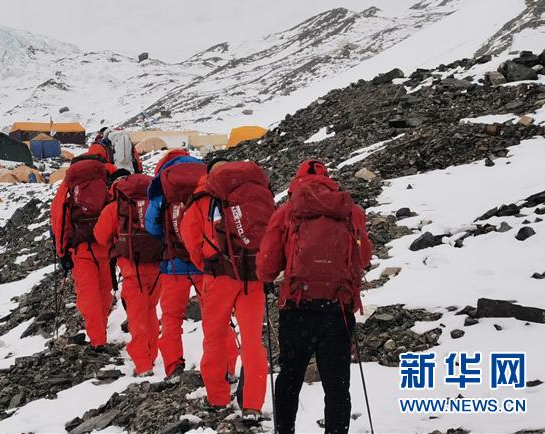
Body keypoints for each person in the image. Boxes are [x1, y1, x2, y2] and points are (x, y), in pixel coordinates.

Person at [258, 160, 373, 434]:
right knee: (337, 384)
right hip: (338, 310)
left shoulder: (287, 211)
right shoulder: (349, 211)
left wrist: (268, 279)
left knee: (290, 377)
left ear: (296, 182)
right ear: (329, 180)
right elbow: (364, 258)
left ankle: (284, 430)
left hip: (298, 308)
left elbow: (266, 265)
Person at [182, 159, 276, 416]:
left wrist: (207, 264)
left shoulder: (203, 197)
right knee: (252, 341)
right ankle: (253, 404)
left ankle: (218, 398)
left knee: (214, 338)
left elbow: (190, 238)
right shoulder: (253, 189)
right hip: (252, 275)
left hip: (217, 277)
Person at [144, 149, 235, 382]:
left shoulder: (162, 185)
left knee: (171, 318)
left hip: (173, 265)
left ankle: (173, 366)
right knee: (217, 316)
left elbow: (151, 226)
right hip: (206, 263)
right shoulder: (206, 180)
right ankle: (227, 367)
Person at [94, 171, 162, 376]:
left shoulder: (115, 208)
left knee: (137, 317)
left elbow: (100, 236)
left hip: (133, 271)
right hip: (157, 267)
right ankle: (151, 356)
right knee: (150, 311)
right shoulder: (154, 203)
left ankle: (143, 365)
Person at [50, 154, 114, 349]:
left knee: (89, 296)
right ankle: (100, 332)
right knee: (104, 291)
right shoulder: (104, 180)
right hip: (104, 244)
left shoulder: (68, 186)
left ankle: (98, 341)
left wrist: (62, 252)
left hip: (81, 249)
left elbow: (60, 219)